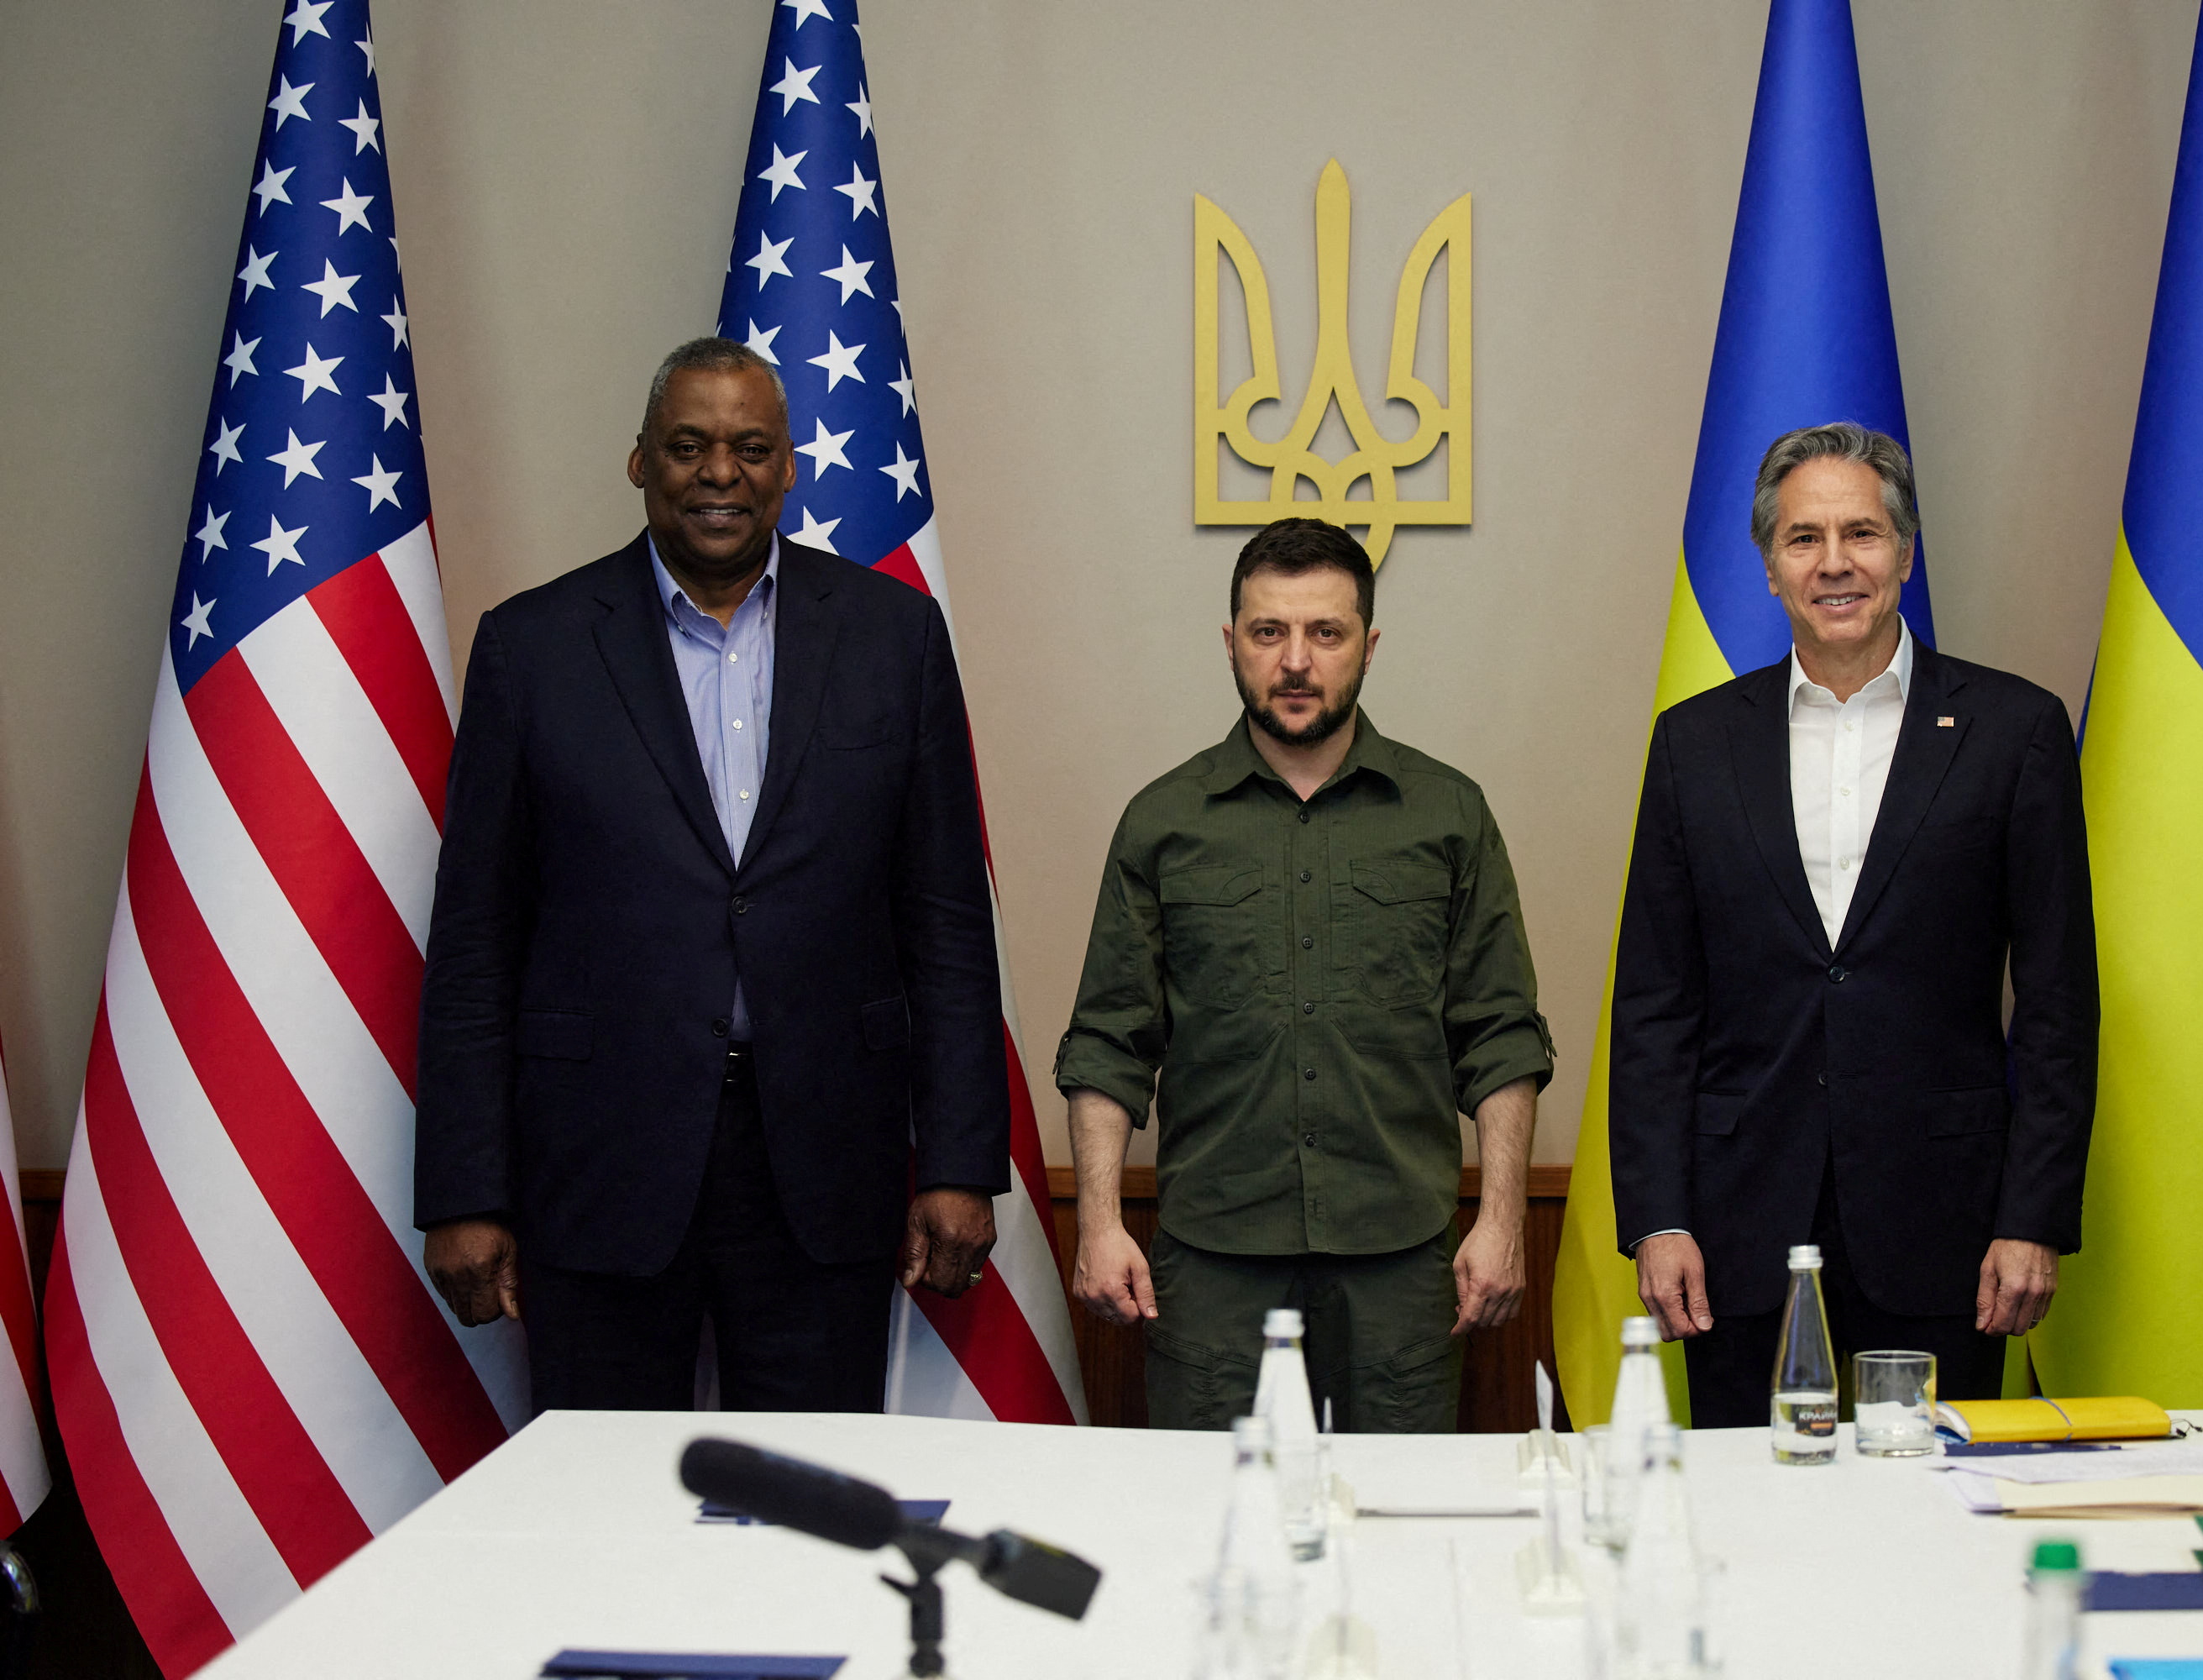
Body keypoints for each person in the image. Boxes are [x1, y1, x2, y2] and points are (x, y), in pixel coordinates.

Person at [414, 337, 1008, 1412]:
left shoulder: (893, 636)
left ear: (790, 466)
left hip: (824, 1160)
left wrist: (960, 1162)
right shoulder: (533, 647)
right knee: (606, 1494)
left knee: (811, 1489)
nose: (719, 472)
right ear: (640, 461)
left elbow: (946, 921)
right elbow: (474, 942)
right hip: (600, 1160)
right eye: (688, 445)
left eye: (750, 447)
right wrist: (465, 1189)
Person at [1608, 422, 2098, 1426]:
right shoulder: (1695, 744)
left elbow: (2058, 1002)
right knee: (1749, 1504)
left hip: (1948, 1226)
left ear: (1905, 554)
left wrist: (2033, 1216)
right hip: (1736, 1228)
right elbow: (1656, 1005)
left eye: (1862, 533)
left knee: (1929, 1501)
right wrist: (1658, 1216)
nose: (1834, 562)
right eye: (1804, 538)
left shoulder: (2015, 732)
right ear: (1770, 566)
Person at [1058, 517, 1554, 1431]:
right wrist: (1096, 1221)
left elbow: (1500, 1035)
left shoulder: (1448, 814)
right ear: (1231, 643)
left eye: (1325, 632)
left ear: (1368, 645)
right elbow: (1107, 1043)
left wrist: (1502, 1220)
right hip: (1212, 1265)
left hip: (1401, 1264)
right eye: (1268, 632)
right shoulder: (1163, 821)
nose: (1295, 661)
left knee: (1399, 1510)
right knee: (1214, 1510)